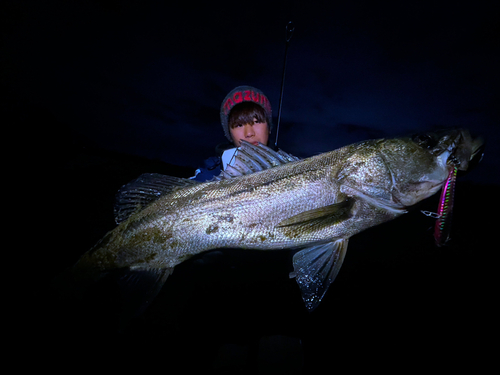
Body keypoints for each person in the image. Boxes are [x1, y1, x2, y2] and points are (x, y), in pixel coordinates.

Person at [191, 85, 275, 182]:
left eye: (256, 121)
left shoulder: (291, 165)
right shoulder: (210, 172)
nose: (249, 133)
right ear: (230, 134)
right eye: (239, 125)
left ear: (269, 127)